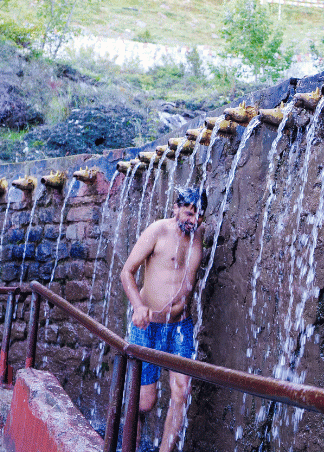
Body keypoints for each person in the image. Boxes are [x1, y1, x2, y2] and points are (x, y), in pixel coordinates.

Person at [120, 186, 207, 452]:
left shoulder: (198, 235)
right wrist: (137, 307)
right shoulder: (158, 230)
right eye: (188, 213)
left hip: (181, 326)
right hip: (148, 326)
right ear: (175, 208)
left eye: (199, 215)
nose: (193, 220)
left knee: (181, 392)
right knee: (145, 402)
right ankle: (129, 446)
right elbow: (127, 272)